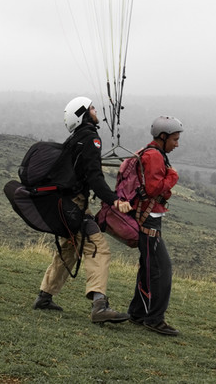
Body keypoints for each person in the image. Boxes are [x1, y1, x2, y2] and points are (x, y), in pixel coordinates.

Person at [33, 96, 132, 324]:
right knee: (98, 247)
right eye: (92, 109)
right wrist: (114, 200)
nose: (96, 111)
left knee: (69, 249)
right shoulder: (90, 138)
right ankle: (99, 305)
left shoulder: (74, 139)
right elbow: (94, 176)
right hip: (75, 206)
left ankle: (44, 296)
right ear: (83, 115)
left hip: (64, 204)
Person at [128, 116, 183, 336]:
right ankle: (155, 319)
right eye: (175, 139)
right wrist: (173, 177)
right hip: (147, 219)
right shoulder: (154, 157)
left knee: (149, 268)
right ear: (163, 136)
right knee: (162, 269)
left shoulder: (151, 153)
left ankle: (138, 312)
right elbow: (153, 189)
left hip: (146, 216)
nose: (177, 144)